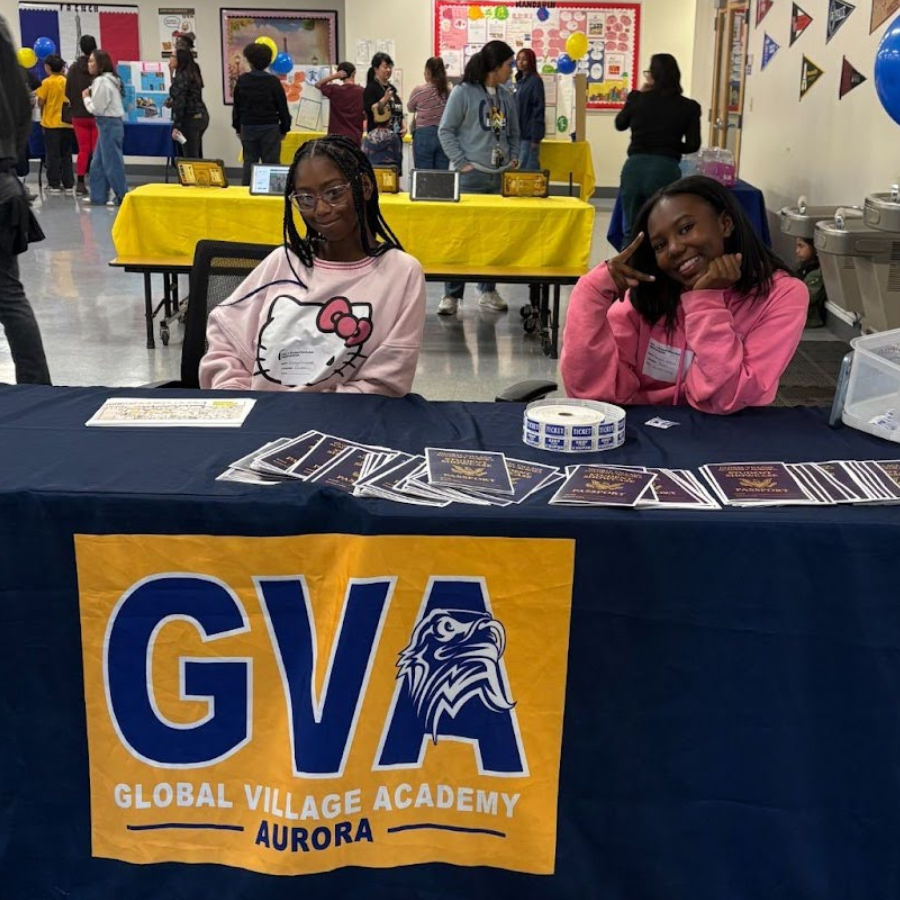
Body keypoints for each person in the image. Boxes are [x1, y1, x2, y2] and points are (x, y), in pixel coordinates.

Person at [560, 176, 808, 414]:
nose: (675, 249)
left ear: (725, 224)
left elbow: (726, 398)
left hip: (730, 438)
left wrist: (706, 302)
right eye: (660, 245)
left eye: (686, 228)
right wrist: (590, 292)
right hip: (646, 436)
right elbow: (594, 396)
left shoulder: (782, 295)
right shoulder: (649, 293)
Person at [199, 135, 426, 395]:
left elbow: (385, 383)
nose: (321, 210)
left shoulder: (401, 273)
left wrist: (307, 412)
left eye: (334, 193)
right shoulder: (283, 262)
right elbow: (226, 339)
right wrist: (237, 398)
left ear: (364, 186)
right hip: (260, 418)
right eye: (306, 198)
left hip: (345, 424)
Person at [437, 39, 520, 316]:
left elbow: (514, 133)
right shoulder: (463, 93)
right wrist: (461, 164)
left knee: (493, 237)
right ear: (495, 67)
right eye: (509, 65)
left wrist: (514, 156)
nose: (512, 70)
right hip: (469, 178)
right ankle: (451, 295)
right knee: (461, 235)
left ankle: (488, 289)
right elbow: (445, 130)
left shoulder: (507, 96)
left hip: (498, 178)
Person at [0, 14, 51, 384]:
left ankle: (36, 385)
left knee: (8, 295)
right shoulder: (11, 70)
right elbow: (22, 128)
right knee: (10, 295)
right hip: (5, 187)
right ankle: (36, 385)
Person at [614, 53, 701, 244]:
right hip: (665, 168)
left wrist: (638, 96)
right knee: (664, 231)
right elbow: (693, 144)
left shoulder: (638, 99)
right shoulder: (689, 107)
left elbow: (620, 123)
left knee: (631, 230)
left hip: (634, 168)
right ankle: (660, 272)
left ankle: (626, 271)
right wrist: (668, 144)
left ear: (652, 75)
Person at [232, 42, 291, 186]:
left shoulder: (242, 80)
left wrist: (238, 127)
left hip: (248, 125)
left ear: (250, 61)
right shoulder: (273, 82)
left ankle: (245, 193)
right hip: (270, 127)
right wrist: (284, 128)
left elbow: (237, 106)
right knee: (271, 164)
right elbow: (282, 107)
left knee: (249, 163)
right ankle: (272, 194)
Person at [82, 48, 127, 206]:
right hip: (109, 124)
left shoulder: (101, 81)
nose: (89, 64)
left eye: (92, 61)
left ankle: (123, 196)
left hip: (108, 123)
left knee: (112, 163)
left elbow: (98, 108)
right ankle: (98, 196)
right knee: (98, 163)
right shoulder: (112, 79)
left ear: (100, 64)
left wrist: (86, 99)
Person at [34, 54, 74, 194]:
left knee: (52, 154)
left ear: (48, 67)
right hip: (67, 123)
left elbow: (40, 102)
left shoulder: (46, 83)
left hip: (51, 124)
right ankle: (69, 183)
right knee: (66, 154)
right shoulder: (67, 81)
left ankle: (54, 183)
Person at [64, 34, 97, 196]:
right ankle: (98, 181)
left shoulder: (74, 68)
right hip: (96, 115)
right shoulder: (99, 67)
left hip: (78, 115)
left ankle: (81, 183)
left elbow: (68, 91)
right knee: (97, 149)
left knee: (83, 149)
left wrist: (77, 103)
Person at [362, 52, 405, 172]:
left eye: (390, 67)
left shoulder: (392, 89)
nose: (388, 70)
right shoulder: (371, 89)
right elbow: (371, 110)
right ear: (376, 69)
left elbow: (398, 110)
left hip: (395, 139)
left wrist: (404, 126)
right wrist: (384, 99)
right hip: (378, 142)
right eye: (385, 67)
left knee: (395, 175)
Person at [407, 56, 450, 170]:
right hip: (443, 135)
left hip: (423, 135)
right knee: (442, 177)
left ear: (428, 72)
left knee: (424, 176)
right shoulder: (448, 91)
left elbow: (410, 108)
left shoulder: (419, 90)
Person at [168, 47, 208, 158]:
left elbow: (180, 103)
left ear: (180, 59)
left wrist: (177, 125)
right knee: (195, 152)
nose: (170, 59)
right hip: (201, 117)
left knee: (189, 157)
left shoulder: (181, 77)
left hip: (189, 120)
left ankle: (191, 176)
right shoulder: (192, 74)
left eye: (172, 56)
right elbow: (189, 97)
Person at [316, 62, 365, 146]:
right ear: (354, 73)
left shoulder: (334, 90)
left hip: (335, 137)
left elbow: (318, 84)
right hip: (354, 137)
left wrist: (334, 76)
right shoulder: (362, 91)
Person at [514, 48, 544, 172]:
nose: (520, 62)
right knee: (520, 167)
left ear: (530, 61)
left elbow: (538, 109)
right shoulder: (520, 81)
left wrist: (535, 137)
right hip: (519, 133)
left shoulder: (535, 81)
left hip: (528, 135)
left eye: (524, 59)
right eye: (518, 59)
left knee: (527, 169)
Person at [795, 237, 827, 328]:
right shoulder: (803, 267)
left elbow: (808, 296)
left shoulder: (817, 272)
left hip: (811, 318)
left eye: (801, 246)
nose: (797, 251)